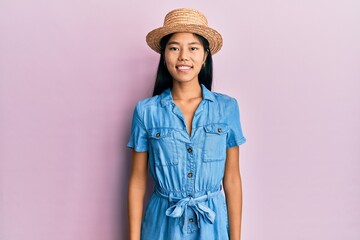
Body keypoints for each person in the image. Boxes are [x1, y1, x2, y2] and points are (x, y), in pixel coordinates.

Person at [127, 8, 246, 240]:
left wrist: (236, 238)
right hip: (162, 224)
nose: (183, 56)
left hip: (212, 225)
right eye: (174, 48)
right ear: (164, 56)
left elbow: (232, 179)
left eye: (193, 48)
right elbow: (137, 181)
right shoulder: (146, 111)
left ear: (204, 57)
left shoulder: (227, 108)